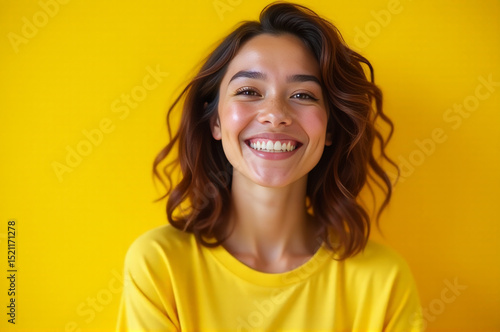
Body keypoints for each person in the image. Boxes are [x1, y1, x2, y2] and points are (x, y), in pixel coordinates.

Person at [116, 2, 423, 331]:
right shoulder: (159, 265)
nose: (275, 113)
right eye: (249, 91)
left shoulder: (383, 280)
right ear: (215, 122)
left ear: (331, 128)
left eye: (303, 95)